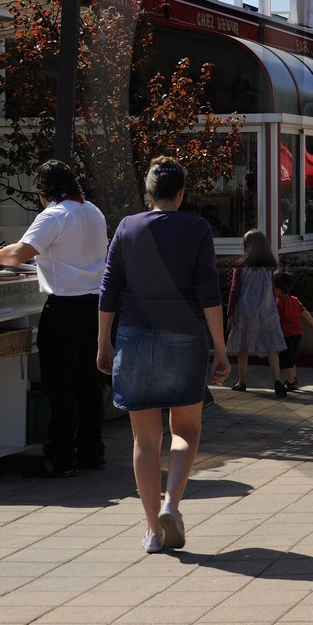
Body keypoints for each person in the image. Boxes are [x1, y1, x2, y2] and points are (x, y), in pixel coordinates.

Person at [96, 157, 230, 554]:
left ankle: (153, 531)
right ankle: (172, 502)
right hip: (184, 336)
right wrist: (220, 349)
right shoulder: (197, 228)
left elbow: (109, 287)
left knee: (145, 438)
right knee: (186, 431)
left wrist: (104, 340)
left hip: (134, 335)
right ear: (182, 193)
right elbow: (209, 292)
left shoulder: (127, 227)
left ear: (148, 194)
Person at [0, 159, 108, 478]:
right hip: (93, 305)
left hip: (64, 305)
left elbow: (18, 254)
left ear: (44, 191)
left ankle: (60, 456)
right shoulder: (93, 211)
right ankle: (92, 451)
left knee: (60, 382)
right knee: (88, 382)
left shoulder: (54, 214)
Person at [224, 229, 289, 395]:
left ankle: (242, 381)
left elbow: (234, 290)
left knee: (243, 347)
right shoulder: (269, 267)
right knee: (271, 347)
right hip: (267, 310)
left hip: (245, 311)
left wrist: (230, 313)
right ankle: (277, 380)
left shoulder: (240, 265)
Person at [272, 271, 313, 390]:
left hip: (286, 335)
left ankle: (289, 382)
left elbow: (275, 319)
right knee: (292, 357)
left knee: (286, 360)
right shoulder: (294, 300)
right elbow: (305, 313)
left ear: (277, 290)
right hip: (298, 334)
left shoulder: (278, 303)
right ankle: (293, 378)